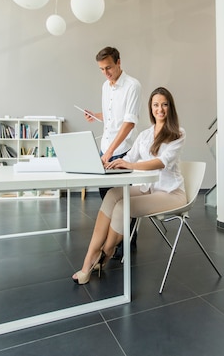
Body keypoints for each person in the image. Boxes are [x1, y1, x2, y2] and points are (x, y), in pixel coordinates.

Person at [72, 87, 187, 284]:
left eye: (164, 104)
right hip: (149, 189)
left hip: (171, 193)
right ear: (151, 108)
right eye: (156, 105)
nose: (160, 109)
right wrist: (108, 163)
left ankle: (105, 253)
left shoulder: (177, 133)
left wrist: (131, 165)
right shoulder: (145, 134)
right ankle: (91, 256)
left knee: (122, 207)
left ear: (171, 107)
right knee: (112, 195)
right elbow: (128, 158)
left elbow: (161, 162)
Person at [83, 46, 142, 256]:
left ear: (119, 62)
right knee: (106, 195)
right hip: (105, 148)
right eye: (101, 69)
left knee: (124, 198)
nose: (106, 72)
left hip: (122, 150)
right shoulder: (105, 86)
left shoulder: (132, 86)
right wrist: (96, 115)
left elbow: (128, 122)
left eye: (108, 67)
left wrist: (110, 153)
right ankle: (116, 237)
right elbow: (112, 118)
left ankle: (128, 240)